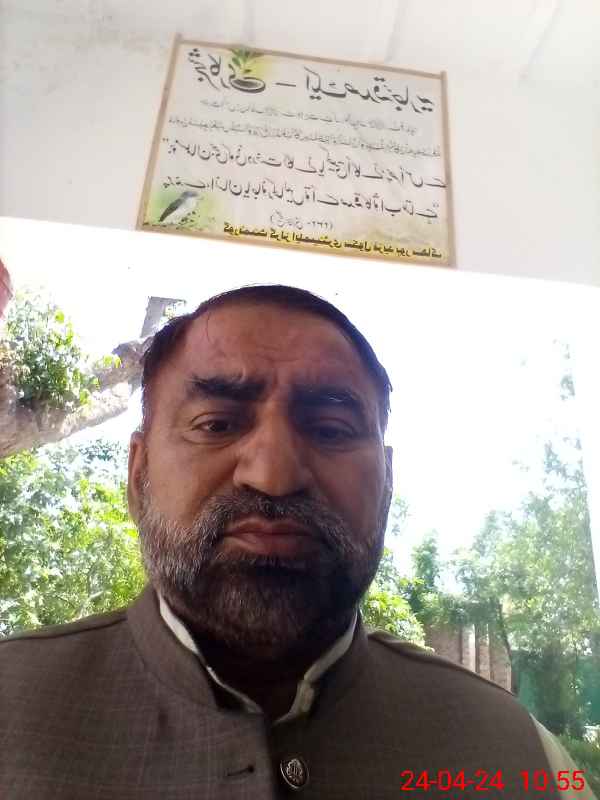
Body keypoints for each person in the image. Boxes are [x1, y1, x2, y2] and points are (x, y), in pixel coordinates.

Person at [0, 284, 595, 799]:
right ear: (138, 475)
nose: (273, 474)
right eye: (217, 424)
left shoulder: (521, 756)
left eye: (330, 429)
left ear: (387, 486)